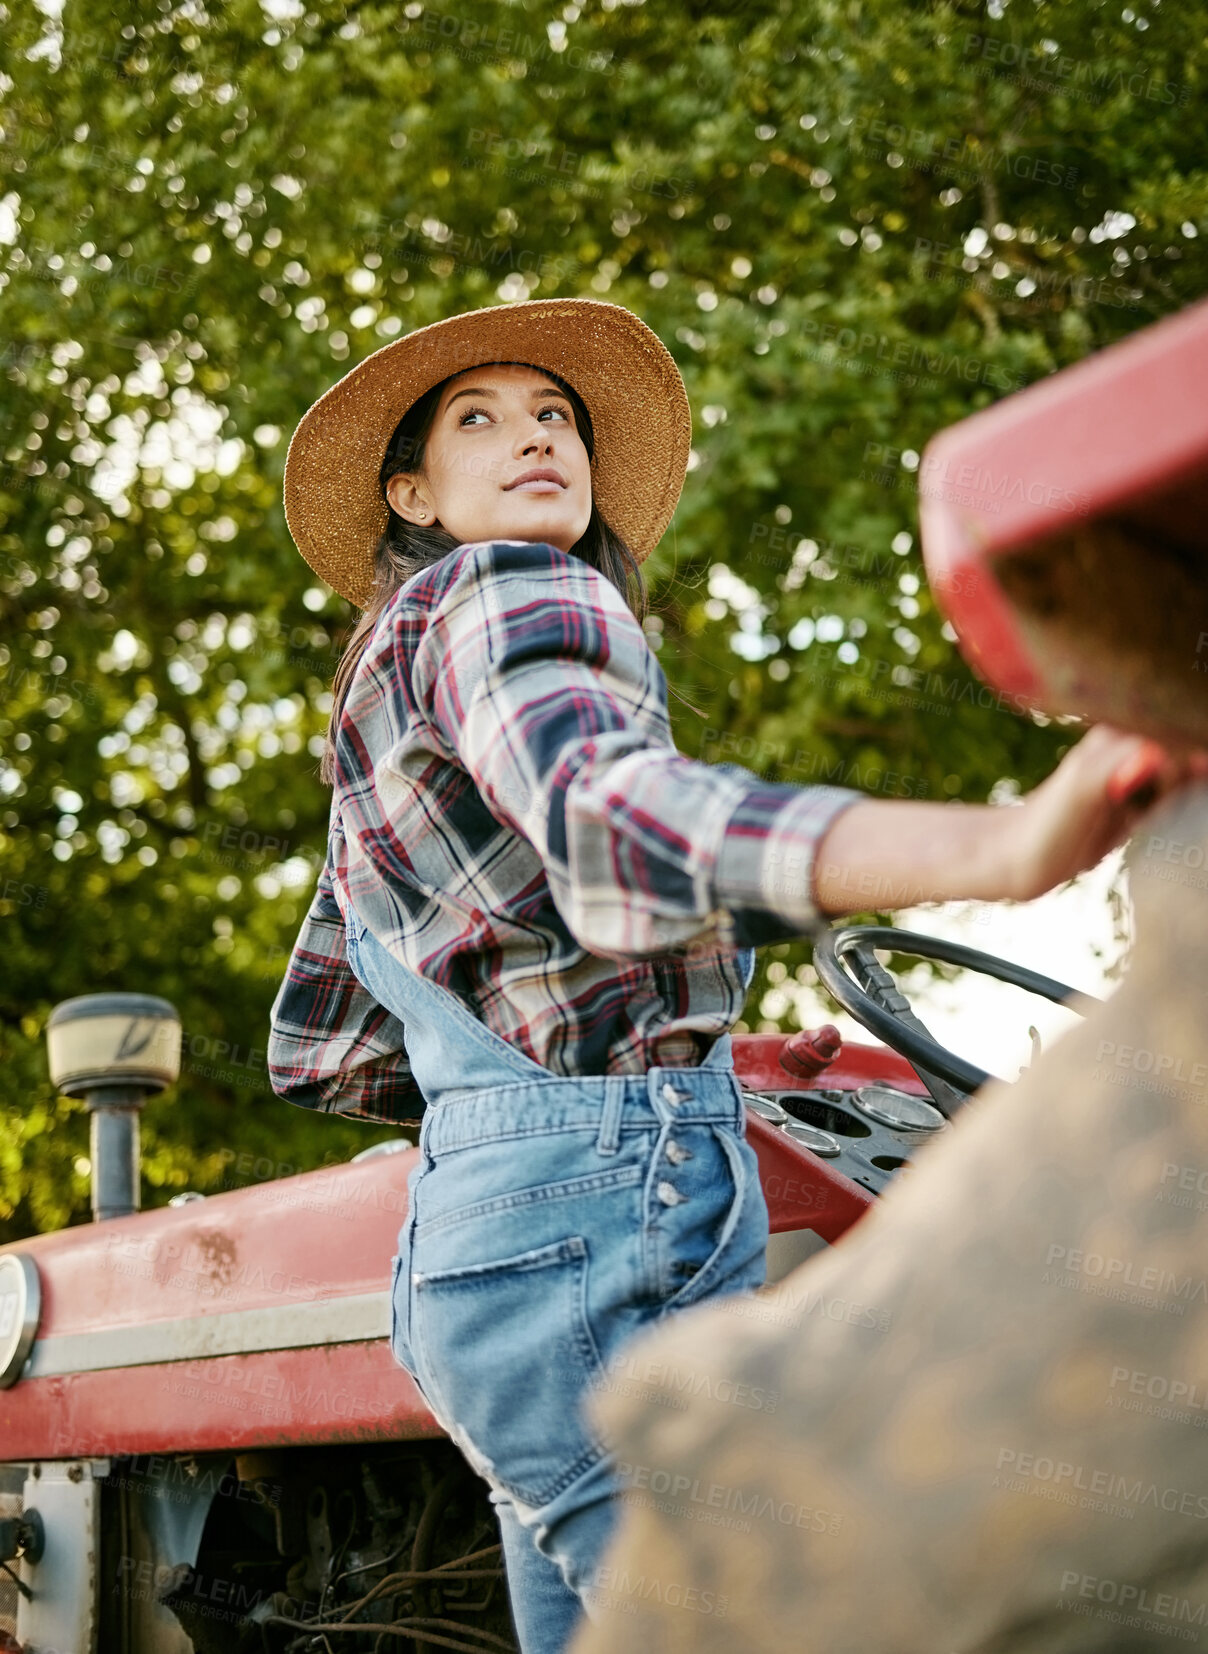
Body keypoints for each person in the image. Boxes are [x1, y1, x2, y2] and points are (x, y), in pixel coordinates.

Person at [266, 297, 1202, 1654]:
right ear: (409, 487)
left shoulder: (385, 671)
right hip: (598, 1222)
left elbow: (339, 1026)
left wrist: (488, 1128)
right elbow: (610, 815)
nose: (533, 438)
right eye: (479, 418)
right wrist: (998, 845)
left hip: (488, 1239)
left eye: (557, 418)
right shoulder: (506, 589)